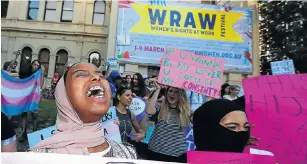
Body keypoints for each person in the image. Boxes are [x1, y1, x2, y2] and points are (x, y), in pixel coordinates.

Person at [29, 63, 137, 158]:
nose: (96, 77)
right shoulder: (37, 159)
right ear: (64, 94)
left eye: (101, 75)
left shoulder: (128, 154)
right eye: (81, 74)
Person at [146, 84, 190, 162]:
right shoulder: (160, 107)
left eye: (176, 92)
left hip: (176, 155)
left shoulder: (187, 112)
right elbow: (149, 110)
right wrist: (158, 89)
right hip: (155, 151)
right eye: (170, 91)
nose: (172, 94)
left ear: (181, 95)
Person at [19, 60, 45, 141]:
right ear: (32, 65)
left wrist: (43, 73)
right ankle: (24, 133)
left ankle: (34, 134)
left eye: (37, 65)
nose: (36, 66)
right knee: (24, 114)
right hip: (25, 96)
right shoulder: (26, 73)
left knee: (34, 115)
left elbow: (40, 85)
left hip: (34, 97)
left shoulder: (38, 74)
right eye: (34, 64)